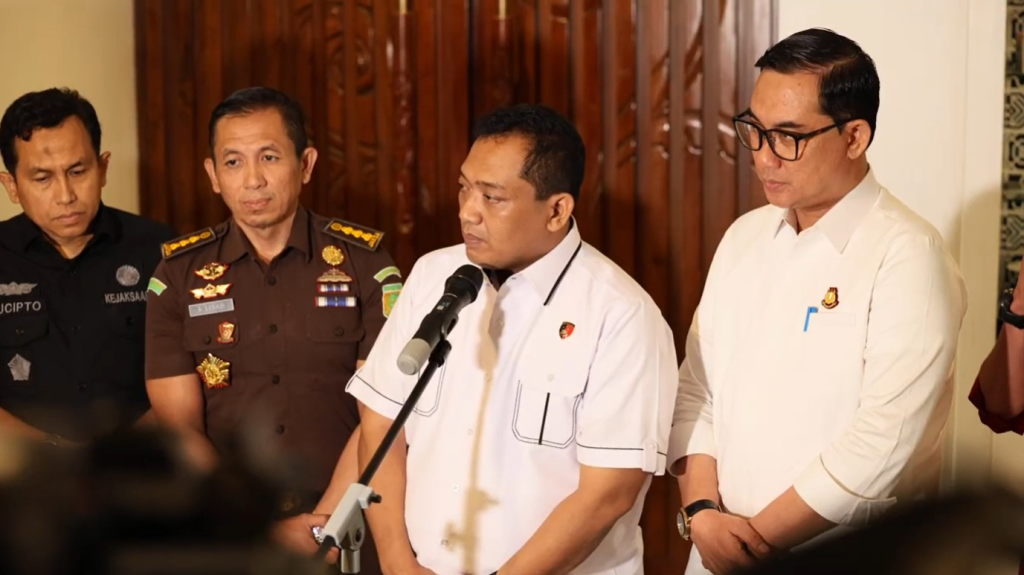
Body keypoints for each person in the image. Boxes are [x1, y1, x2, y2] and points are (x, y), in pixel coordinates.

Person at [329, 103, 677, 575]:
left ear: (556, 210)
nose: (467, 212)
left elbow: (609, 493)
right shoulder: (434, 275)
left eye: (492, 197)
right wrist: (397, 563)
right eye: (464, 188)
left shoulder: (621, 314)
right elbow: (381, 424)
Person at [668, 28, 967, 575]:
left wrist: (751, 545)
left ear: (854, 137)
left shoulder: (908, 255)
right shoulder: (743, 238)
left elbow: (882, 444)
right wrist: (702, 515)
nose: (765, 157)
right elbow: (697, 391)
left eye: (789, 137)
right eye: (755, 130)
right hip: (716, 549)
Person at [143, 86, 399, 572]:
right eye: (233, 162)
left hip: (350, 523)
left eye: (269, 156)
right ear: (212, 175)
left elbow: (383, 414)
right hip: (230, 532)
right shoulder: (177, 276)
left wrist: (325, 525)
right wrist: (257, 525)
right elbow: (179, 428)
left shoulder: (366, 265)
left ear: (306, 164)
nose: (253, 179)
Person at [0, 87, 175, 447]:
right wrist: (54, 455)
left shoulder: (158, 251)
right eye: (42, 178)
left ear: (102, 167)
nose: (66, 196)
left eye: (77, 171)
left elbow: (190, 373)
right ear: (11, 186)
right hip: (22, 469)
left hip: (140, 465)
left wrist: (115, 457)